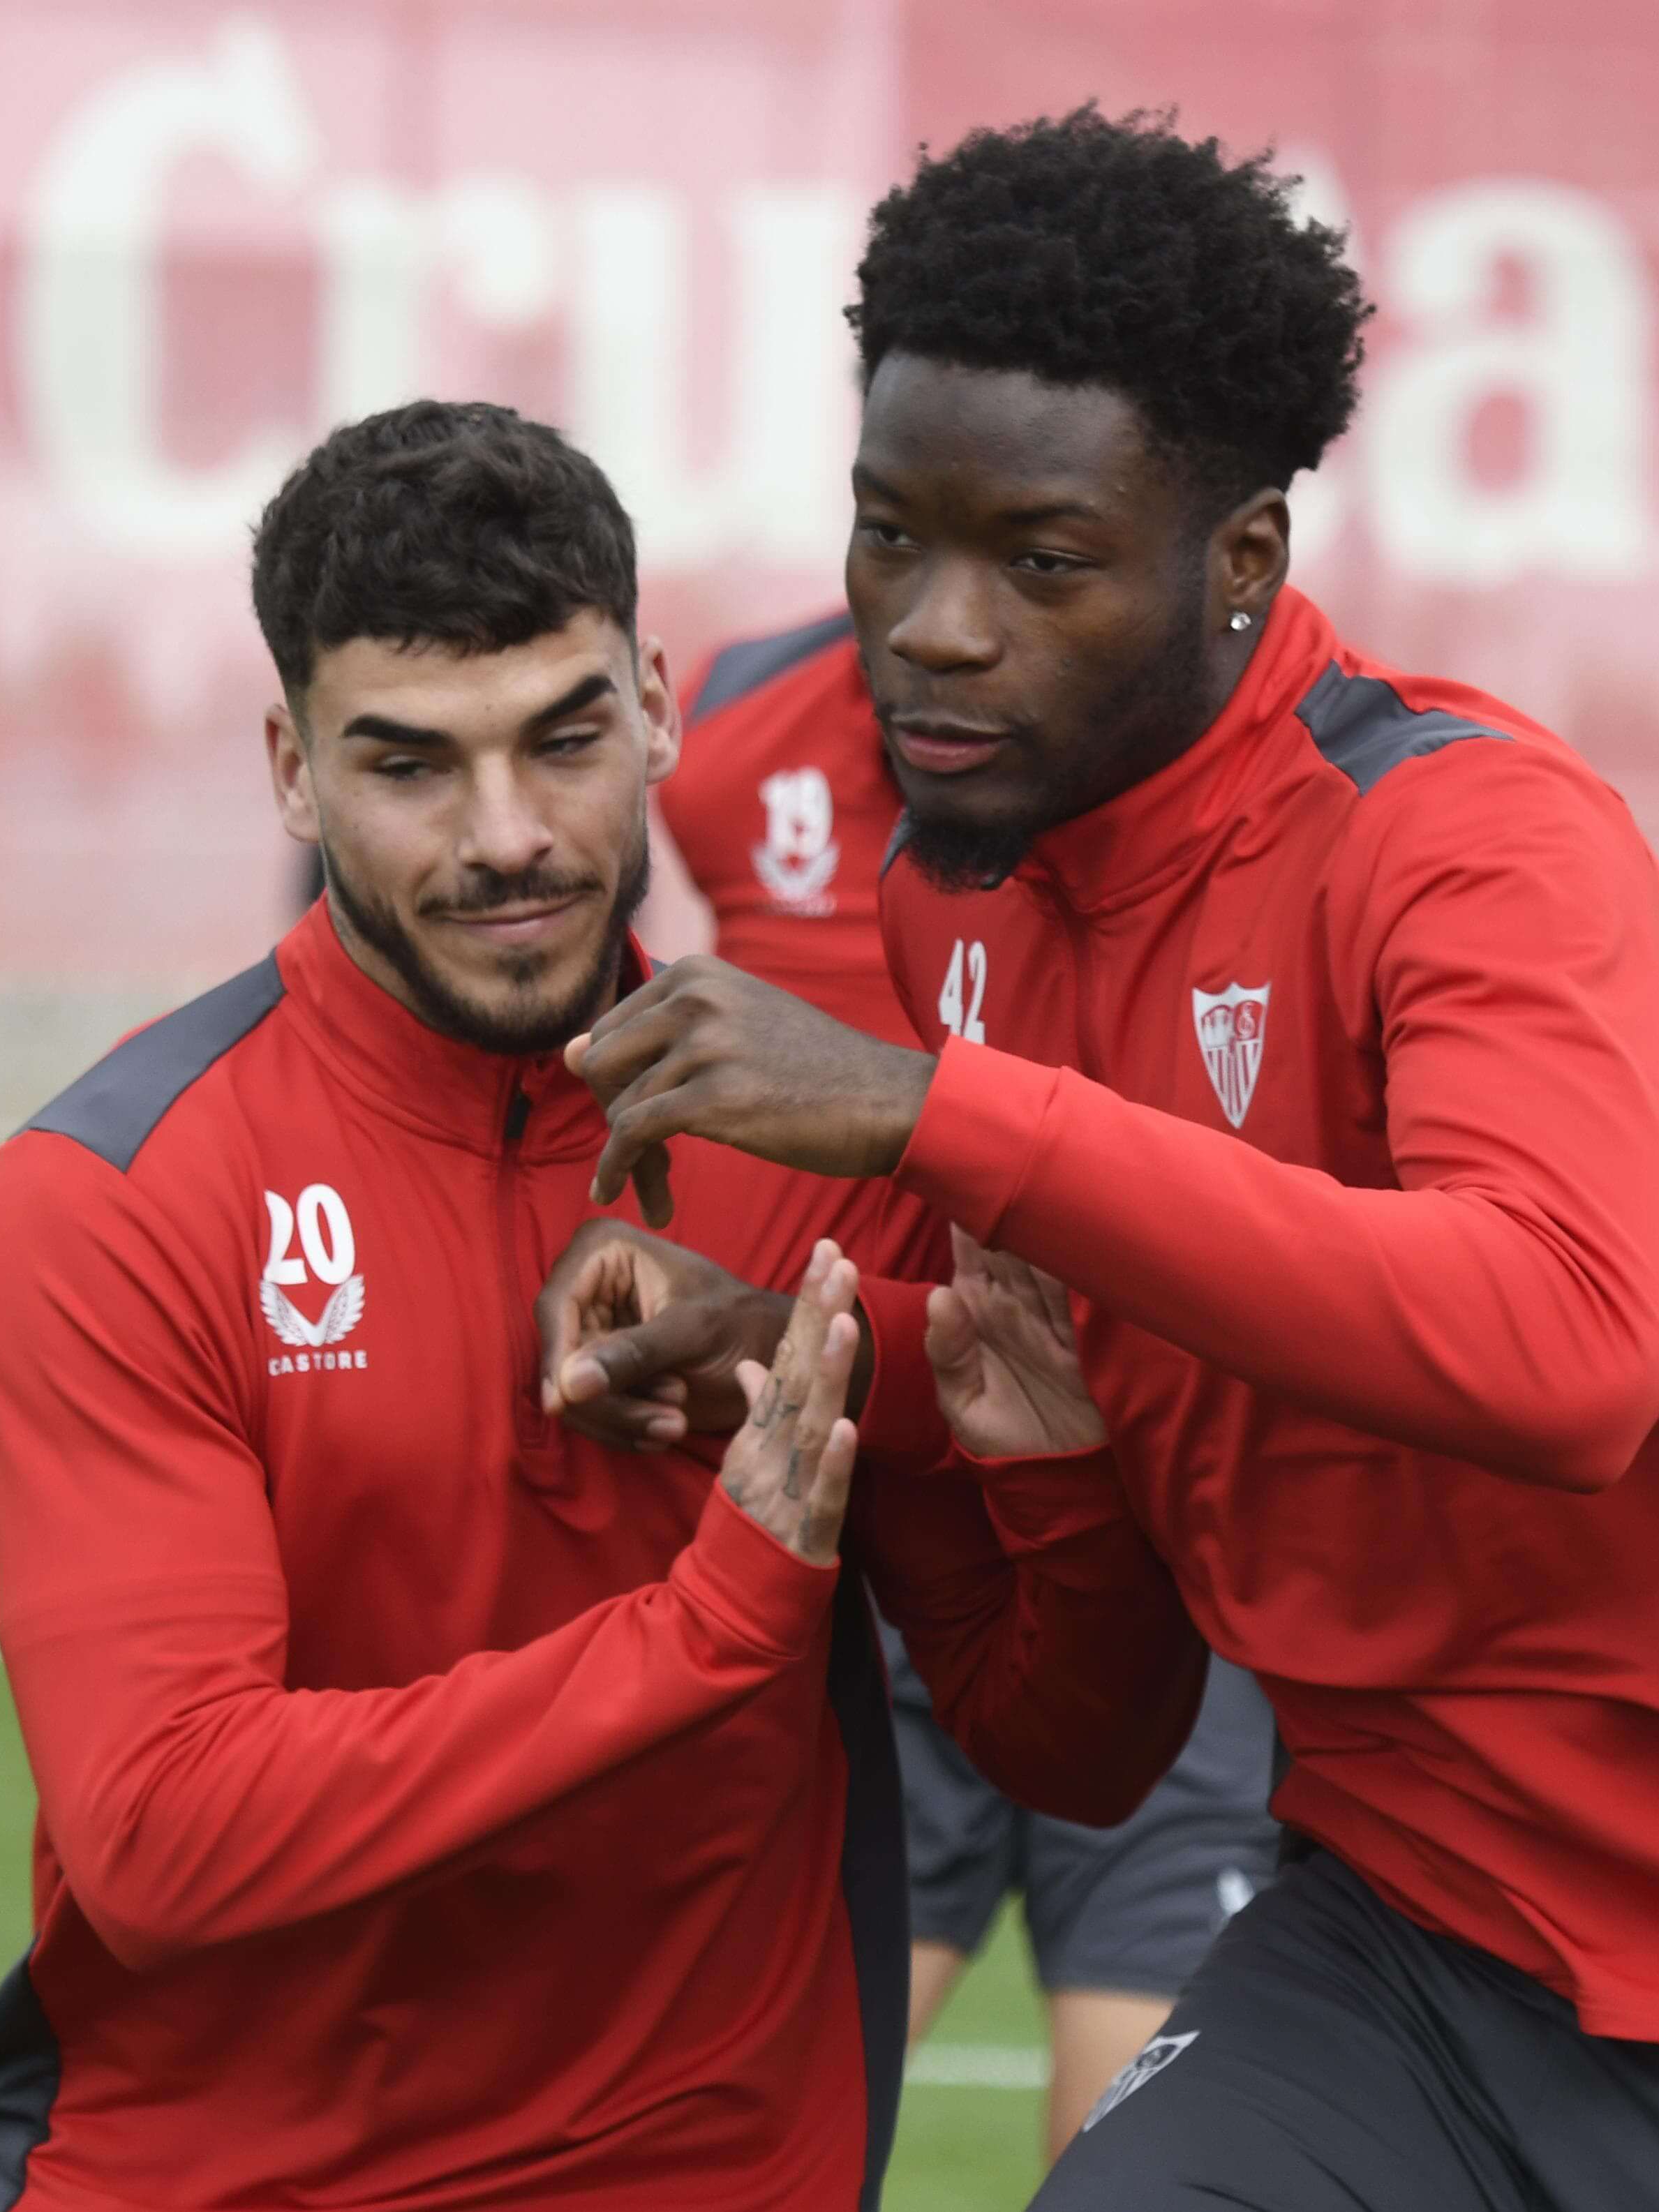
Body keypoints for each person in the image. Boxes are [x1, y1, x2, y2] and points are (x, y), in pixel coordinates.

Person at [540, 111, 1659, 2211]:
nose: (929, 627)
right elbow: (1106, 1622)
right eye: (888, 535)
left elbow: (1562, 1350)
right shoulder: (965, 912)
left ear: (1243, 562)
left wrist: (939, 1117)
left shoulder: (1469, 841)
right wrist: (823, 1371)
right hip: (1395, 1943)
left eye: (1040, 558)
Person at [0, 398, 1207, 2212]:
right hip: (220, 2174)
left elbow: (1071, 1747)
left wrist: (1063, 1467)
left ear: (661, 704)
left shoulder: (829, 1142)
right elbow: (163, 1836)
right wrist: (711, 1625)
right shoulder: (117, 1198)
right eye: (411, 765)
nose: (508, 835)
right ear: (290, 770)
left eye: (565, 737)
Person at [655, 611, 1281, 2159]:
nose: (948, 605)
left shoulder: (1202, 763)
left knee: (1143, 2165)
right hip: (880, 1563)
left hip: (1149, 1572)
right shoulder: (731, 736)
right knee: (711, 2144)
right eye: (899, 521)